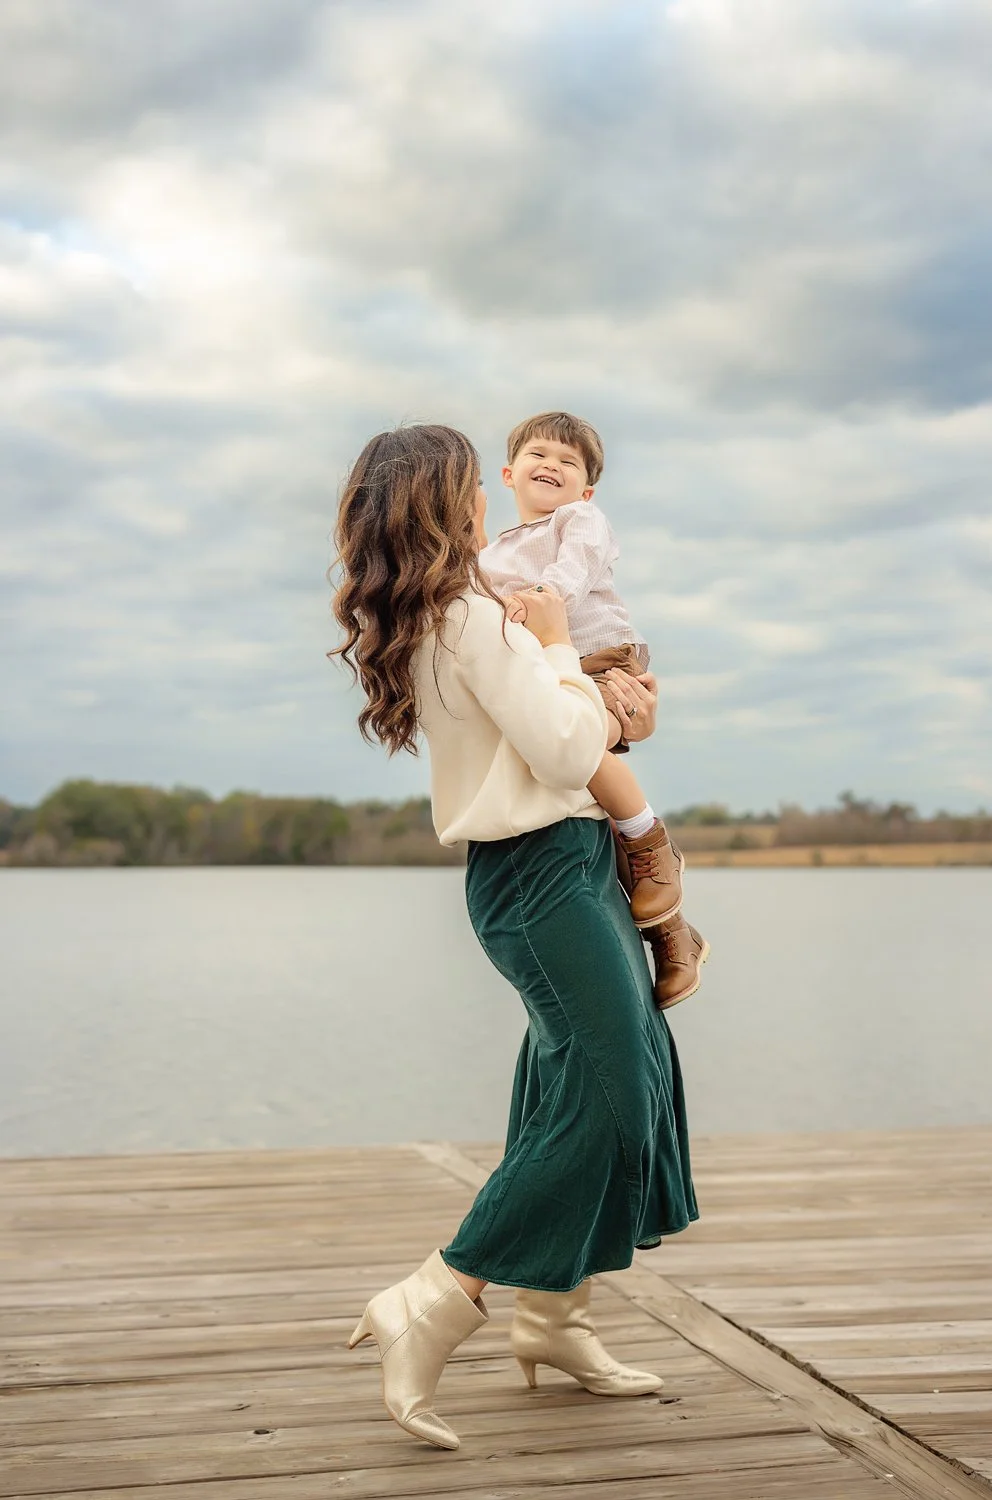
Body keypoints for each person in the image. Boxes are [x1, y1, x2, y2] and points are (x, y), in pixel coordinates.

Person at [331, 424, 698, 1452]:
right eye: (474, 489)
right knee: (610, 1094)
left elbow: (588, 733)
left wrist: (596, 683)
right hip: (539, 877)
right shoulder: (475, 621)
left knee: (590, 1082)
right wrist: (556, 652)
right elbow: (571, 744)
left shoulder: (465, 611)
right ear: (455, 501)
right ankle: (438, 1295)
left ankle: (553, 1318)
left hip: (573, 866)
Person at [479, 410, 708, 1008]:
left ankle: (653, 844)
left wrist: (540, 600)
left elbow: (573, 572)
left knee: (585, 760)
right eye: (539, 455)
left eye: (568, 461)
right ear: (509, 473)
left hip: (601, 658)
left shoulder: (580, 520)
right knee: (582, 793)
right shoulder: (496, 549)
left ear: (588, 487)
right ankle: (675, 939)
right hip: (552, 672)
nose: (551, 465)